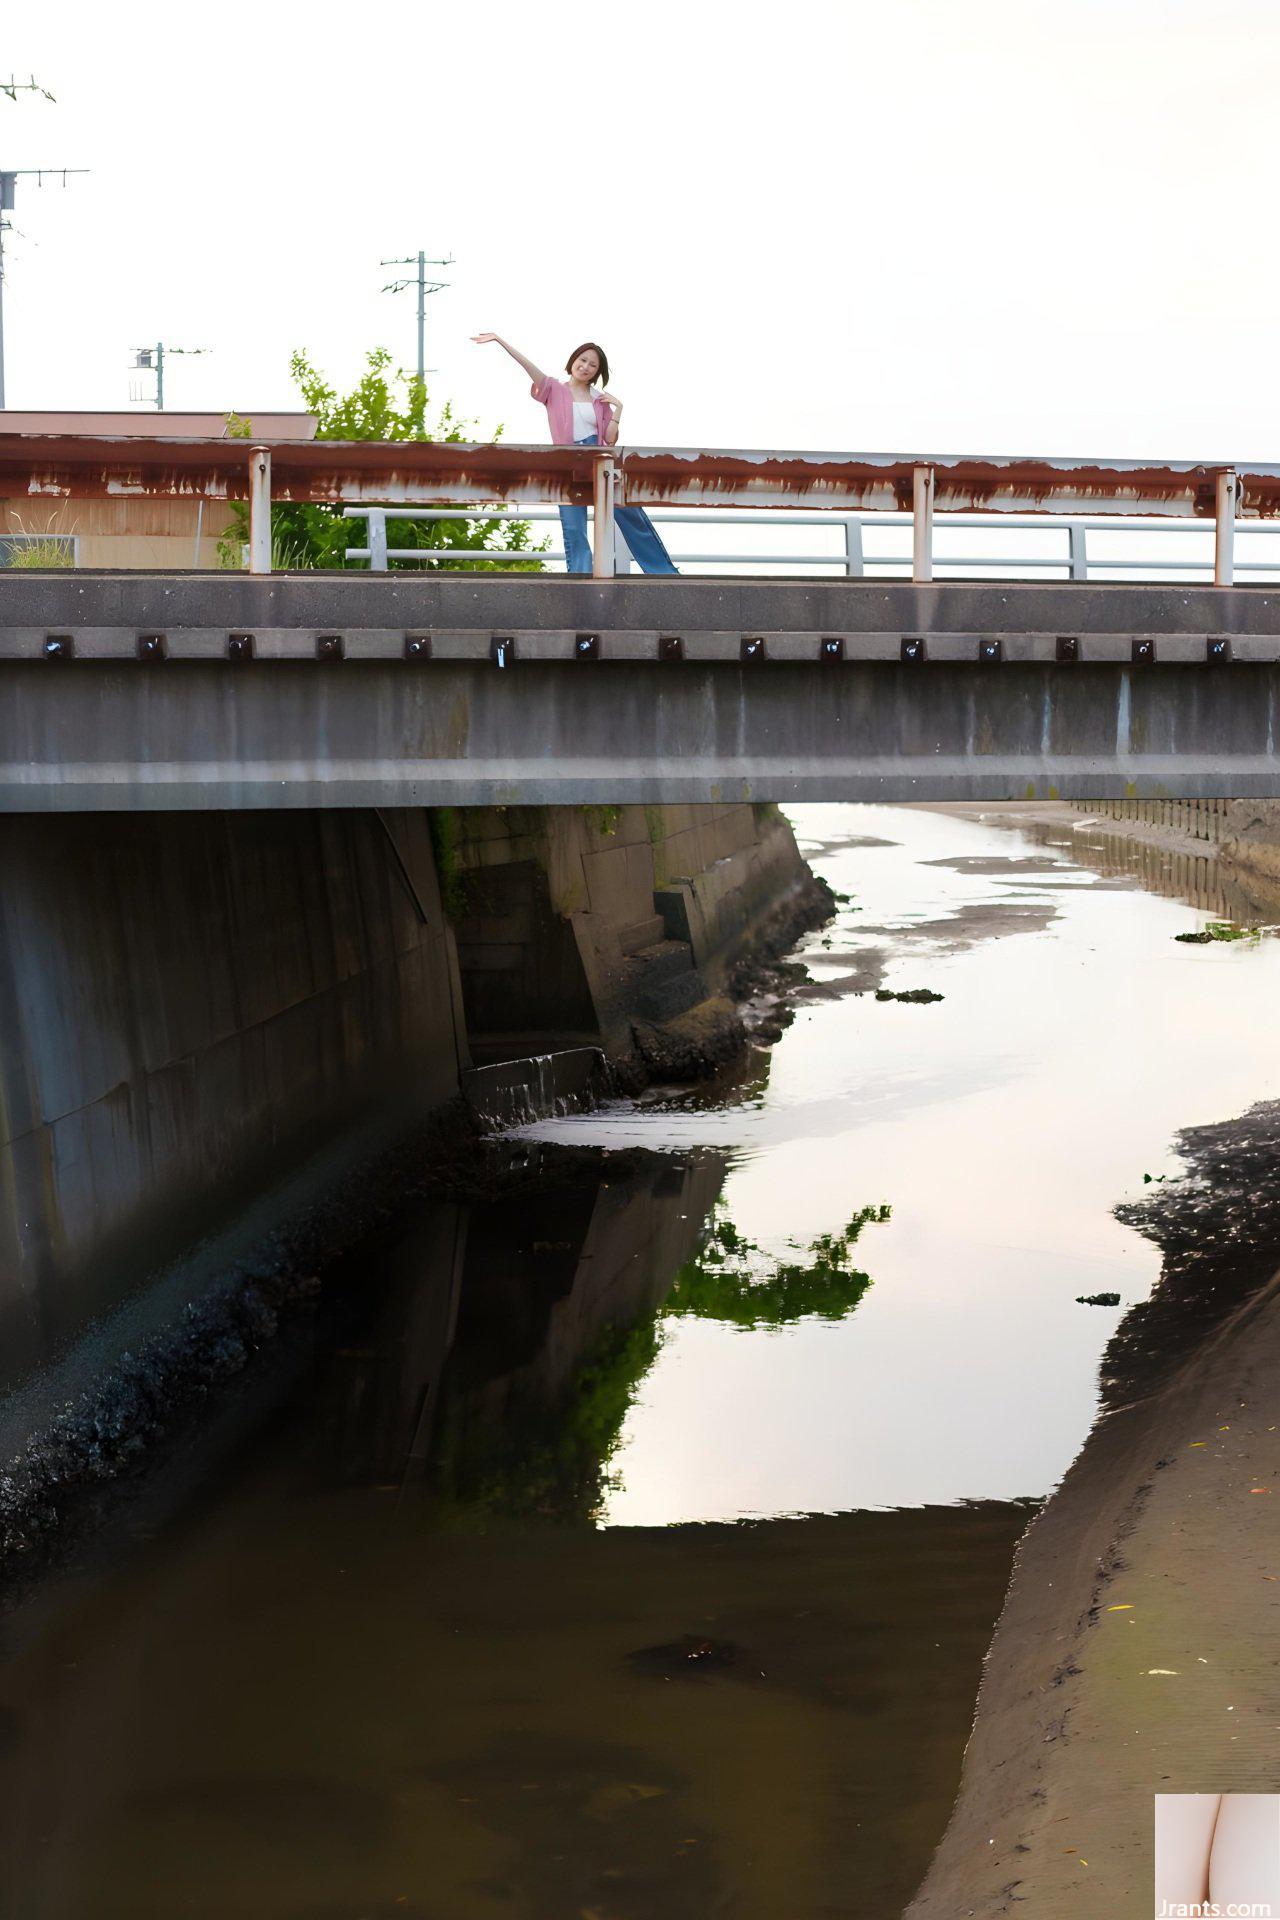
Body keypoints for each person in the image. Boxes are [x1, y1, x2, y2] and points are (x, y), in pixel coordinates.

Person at [471, 333, 678, 575]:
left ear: (597, 372)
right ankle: (579, 578)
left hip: (600, 461)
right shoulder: (553, 389)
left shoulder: (600, 400)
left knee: (631, 514)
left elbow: (610, 439)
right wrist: (500, 340)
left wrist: (618, 409)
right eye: (583, 360)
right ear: (572, 361)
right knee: (573, 527)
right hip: (567, 462)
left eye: (593, 365)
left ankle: (663, 573)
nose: (586, 367)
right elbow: (527, 366)